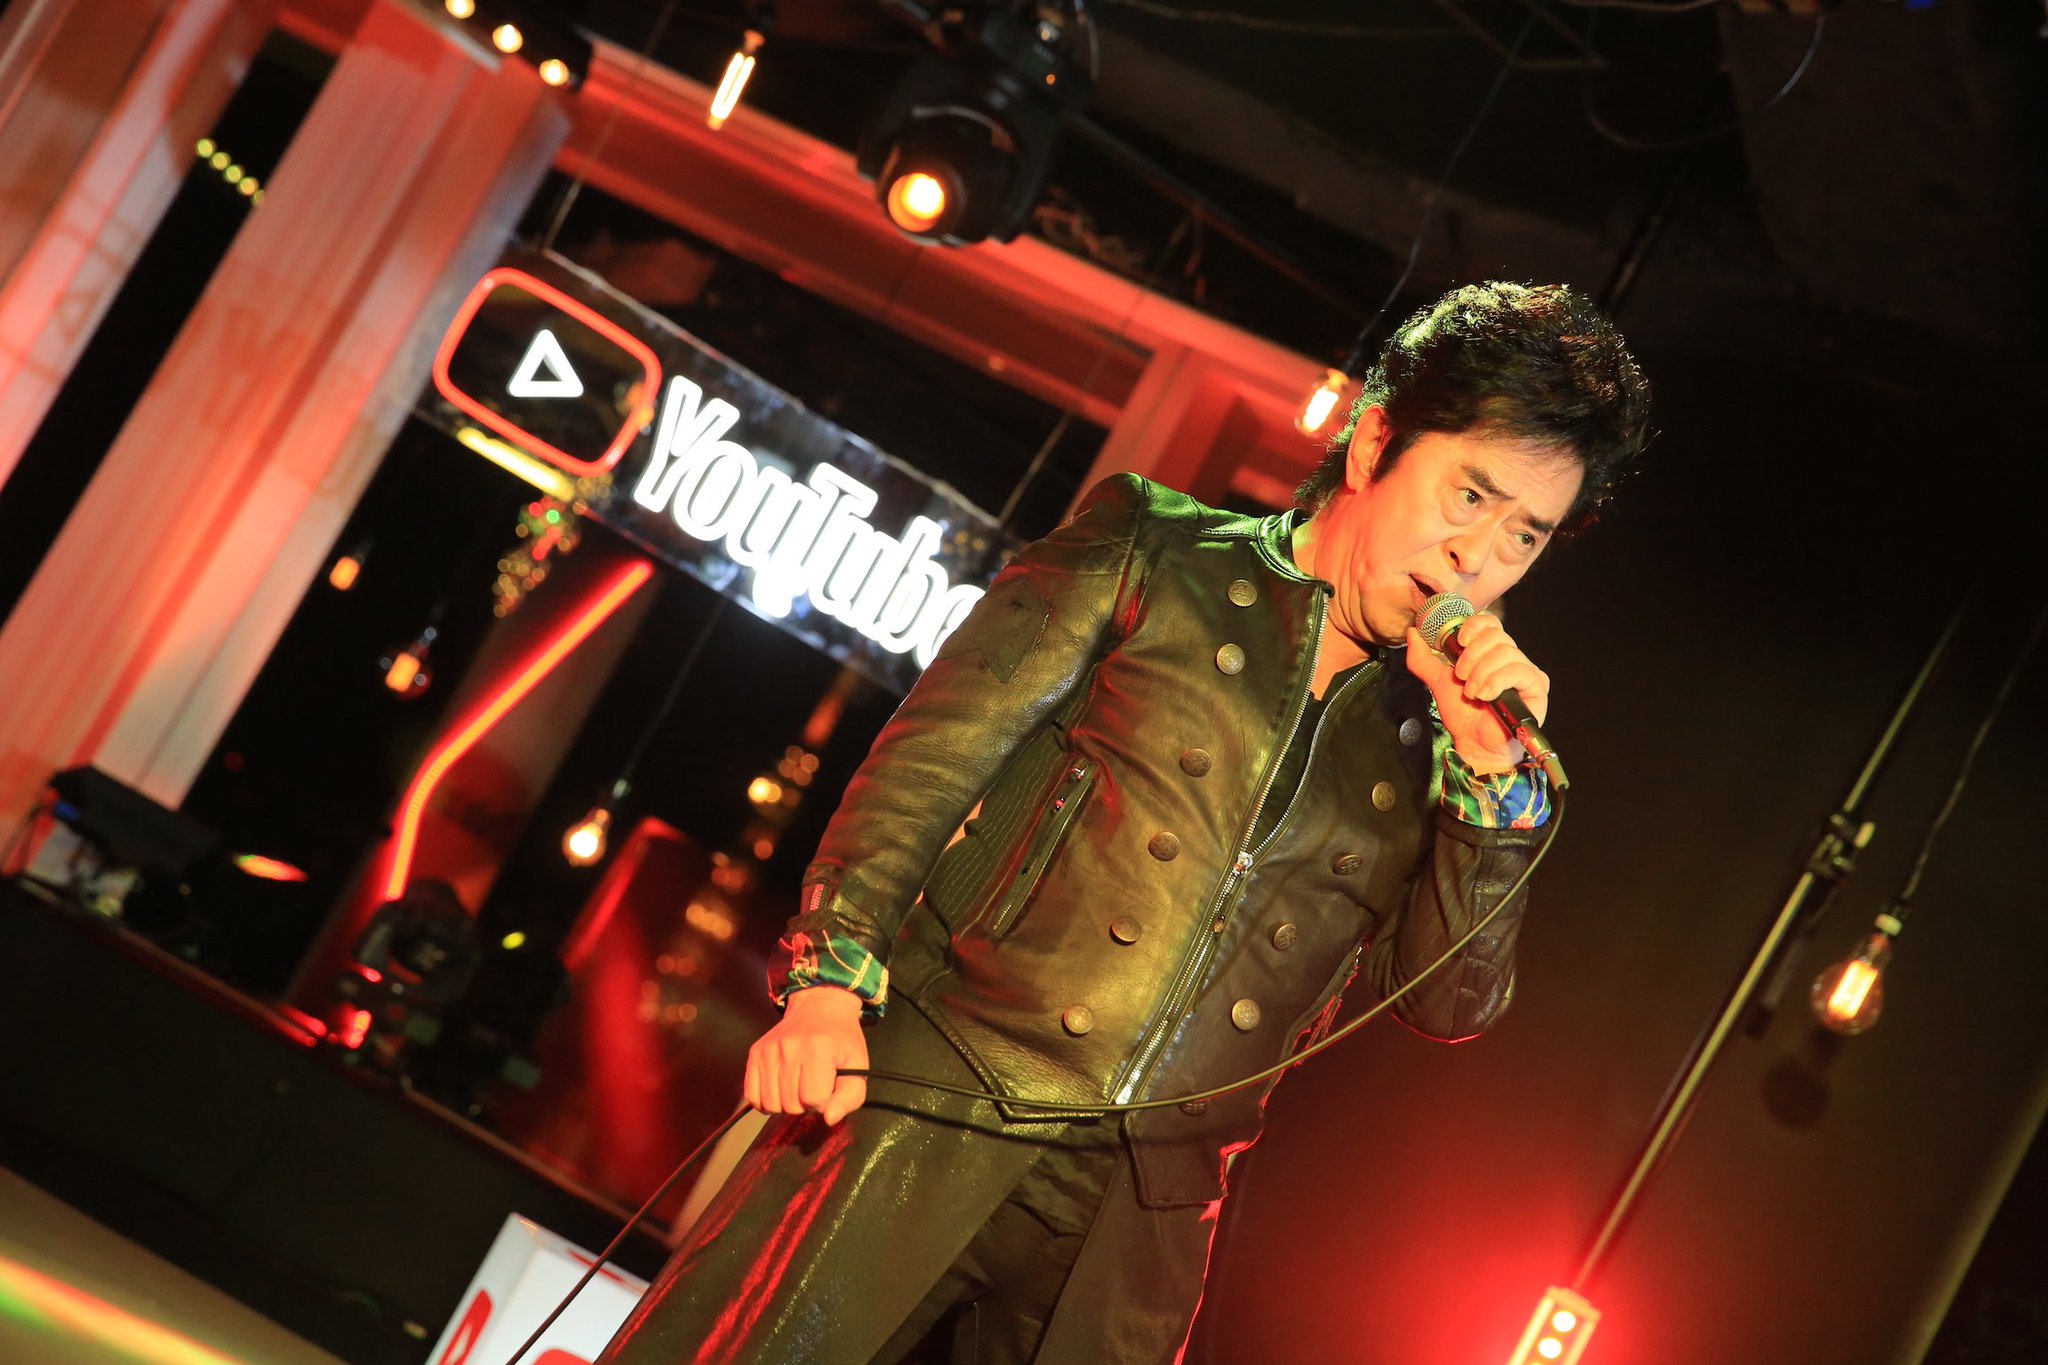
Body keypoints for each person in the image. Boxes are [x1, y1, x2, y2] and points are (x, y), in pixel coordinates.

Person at [598, 280, 1651, 1364]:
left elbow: (1446, 1001)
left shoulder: (1442, 747)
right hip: (942, 1088)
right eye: (1468, 496)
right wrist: (827, 983)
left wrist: (1490, 779)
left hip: (1149, 1205)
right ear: (1375, 443)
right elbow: (929, 764)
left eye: (1525, 534)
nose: (1480, 555)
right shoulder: (1153, 549)